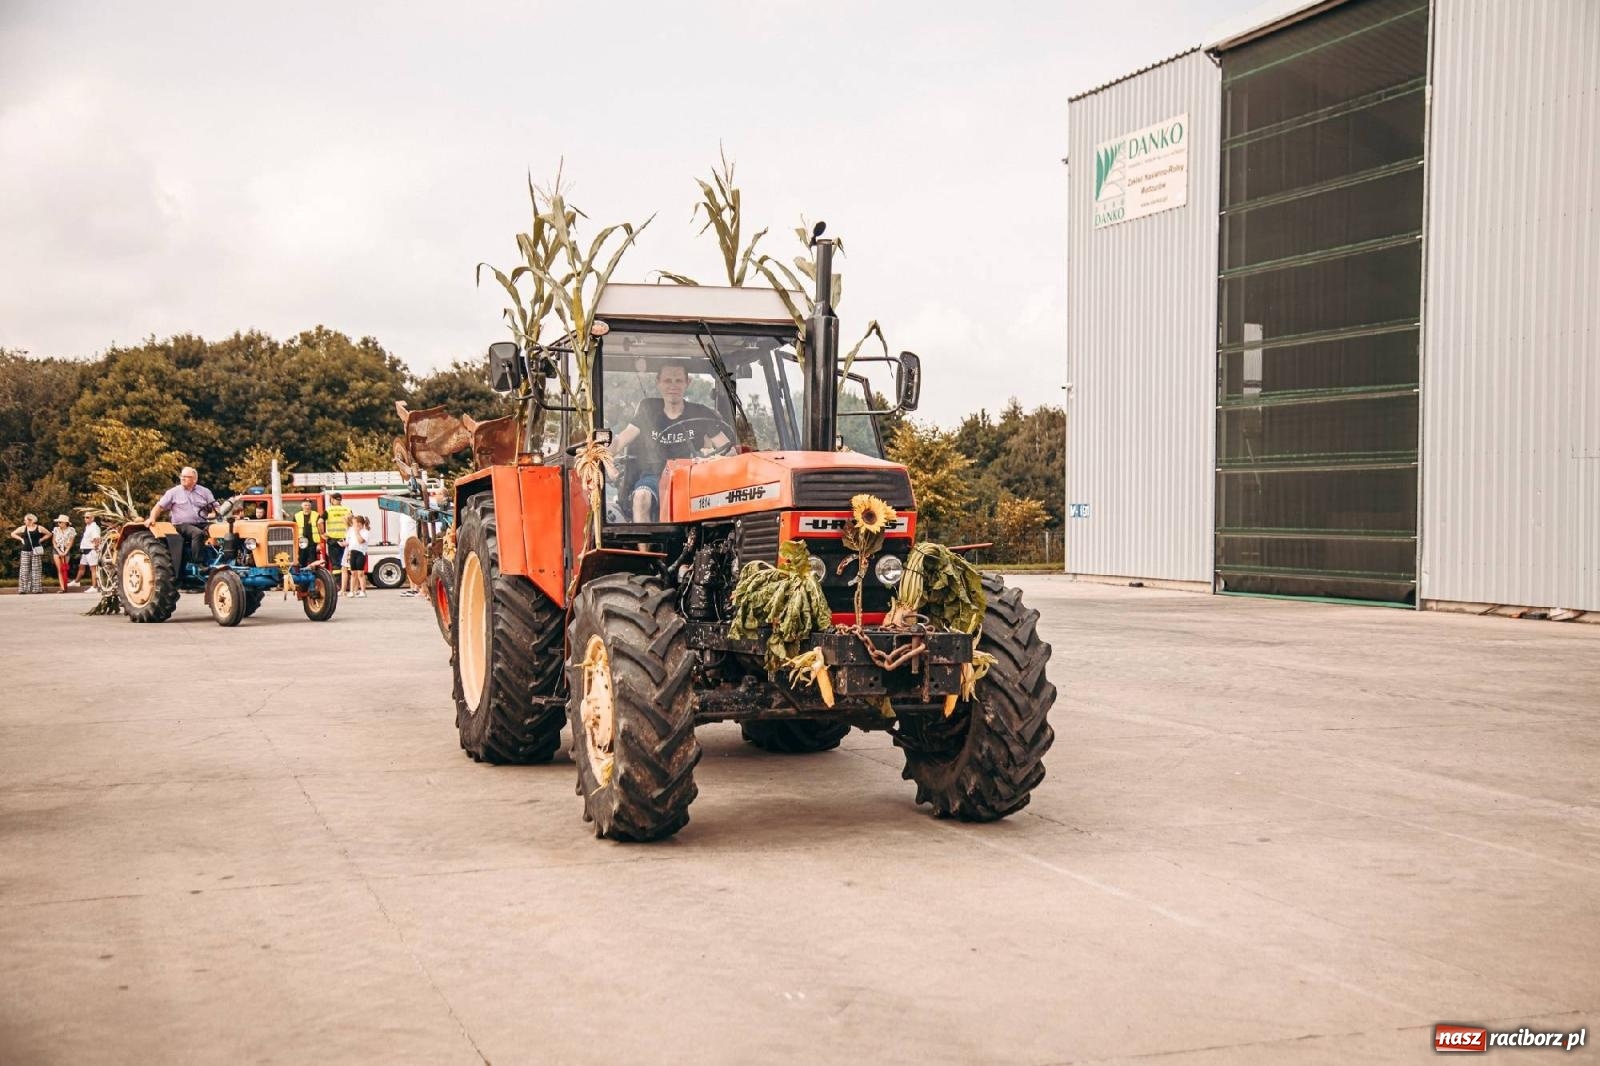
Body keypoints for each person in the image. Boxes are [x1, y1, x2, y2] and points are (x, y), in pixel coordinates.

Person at [612, 360, 732, 521]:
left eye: (678, 381)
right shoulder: (648, 410)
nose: (673, 386)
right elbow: (620, 441)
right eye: (668, 381)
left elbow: (729, 450)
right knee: (641, 498)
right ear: (658, 383)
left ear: (687, 383)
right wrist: (602, 454)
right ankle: (645, 547)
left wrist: (713, 457)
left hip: (691, 478)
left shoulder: (701, 413)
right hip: (654, 476)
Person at [147, 467, 217, 570]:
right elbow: (159, 507)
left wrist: (214, 514)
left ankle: (222, 559)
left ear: (194, 479)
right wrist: (152, 518)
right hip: (181, 525)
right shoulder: (173, 492)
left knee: (220, 530)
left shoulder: (204, 492)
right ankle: (199, 564)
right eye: (182, 476)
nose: (182, 478)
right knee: (197, 533)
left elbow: (215, 508)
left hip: (202, 522)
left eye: (186, 477)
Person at [10, 514, 48, 594]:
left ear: (31, 520)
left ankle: (36, 589)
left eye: (25, 520)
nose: (24, 521)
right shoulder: (23, 528)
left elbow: (49, 534)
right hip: (25, 551)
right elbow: (12, 534)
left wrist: (41, 539)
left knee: (36, 570)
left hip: (36, 551)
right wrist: (21, 539)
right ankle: (23, 589)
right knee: (24, 570)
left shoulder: (39, 528)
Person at [323, 492, 352, 580]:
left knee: (336, 564)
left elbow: (320, 521)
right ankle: (349, 584)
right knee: (347, 563)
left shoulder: (328, 510)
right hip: (345, 540)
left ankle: (338, 584)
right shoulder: (347, 509)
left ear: (332, 500)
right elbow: (352, 522)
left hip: (333, 540)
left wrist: (322, 533)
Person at [345, 515, 370, 597]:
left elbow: (360, 541)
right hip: (353, 552)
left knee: (360, 573)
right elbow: (349, 542)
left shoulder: (365, 532)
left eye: (354, 523)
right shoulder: (351, 531)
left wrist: (357, 532)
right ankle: (352, 591)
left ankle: (363, 591)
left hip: (360, 553)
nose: (353, 525)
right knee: (353, 573)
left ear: (359, 524)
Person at [50, 515, 76, 592]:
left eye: (60, 522)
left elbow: (71, 542)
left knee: (64, 568)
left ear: (65, 523)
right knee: (59, 569)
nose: (59, 523)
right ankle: (62, 587)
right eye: (58, 522)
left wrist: (65, 552)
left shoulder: (71, 530)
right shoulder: (56, 529)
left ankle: (65, 585)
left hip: (66, 549)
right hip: (57, 549)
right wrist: (58, 551)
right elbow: (53, 541)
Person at [76, 512, 102, 586]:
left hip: (91, 550)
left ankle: (94, 586)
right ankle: (77, 582)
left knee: (93, 569)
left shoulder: (94, 527)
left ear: (92, 518)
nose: (85, 519)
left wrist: (96, 548)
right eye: (85, 517)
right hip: (85, 550)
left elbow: (97, 538)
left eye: (87, 517)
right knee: (81, 566)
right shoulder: (88, 527)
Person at [293, 500, 321, 566]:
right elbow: (294, 528)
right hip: (302, 540)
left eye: (308, 505)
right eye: (305, 505)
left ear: (310, 506)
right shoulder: (297, 515)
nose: (307, 507)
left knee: (312, 559)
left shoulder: (316, 515)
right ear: (302, 506)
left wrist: (319, 543)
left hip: (313, 540)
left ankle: (313, 573)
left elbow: (320, 528)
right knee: (302, 558)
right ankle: (302, 572)